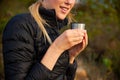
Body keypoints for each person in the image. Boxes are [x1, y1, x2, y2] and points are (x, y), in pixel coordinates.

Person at [2, 0, 88, 80]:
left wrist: (71, 57)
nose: (69, 2)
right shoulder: (20, 25)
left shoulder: (55, 31)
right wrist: (57, 48)